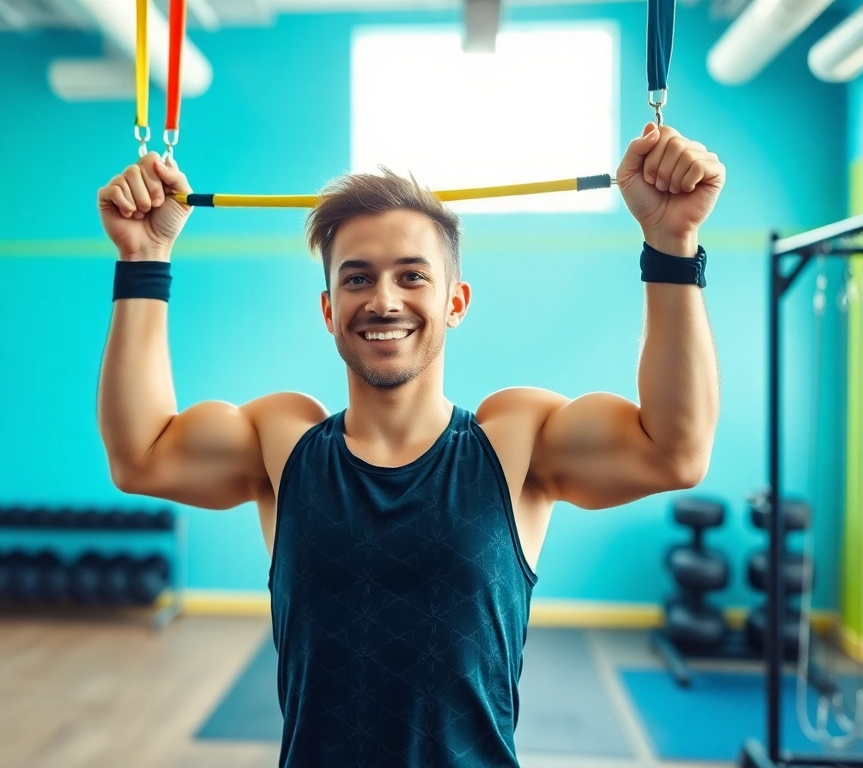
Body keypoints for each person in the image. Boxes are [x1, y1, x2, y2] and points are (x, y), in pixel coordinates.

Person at [96, 122, 723, 768]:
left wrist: (671, 243)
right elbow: (140, 456)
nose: (384, 300)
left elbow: (674, 452)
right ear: (328, 308)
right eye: (357, 279)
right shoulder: (282, 444)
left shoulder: (516, 441)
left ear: (456, 302)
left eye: (412, 276)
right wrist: (144, 257)